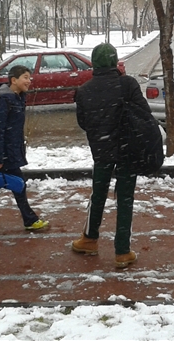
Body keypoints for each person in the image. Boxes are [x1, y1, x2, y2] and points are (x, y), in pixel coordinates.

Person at [71, 42, 148, 268]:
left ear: (94, 63)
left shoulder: (84, 90)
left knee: (98, 195)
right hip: (128, 150)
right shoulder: (128, 84)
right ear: (115, 62)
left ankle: (90, 239)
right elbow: (143, 114)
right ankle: (122, 251)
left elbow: (83, 123)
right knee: (124, 199)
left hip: (102, 152)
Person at [0, 65, 49, 231]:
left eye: (29, 78)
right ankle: (30, 219)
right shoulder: (3, 101)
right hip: (4, 152)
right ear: (14, 80)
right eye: (25, 77)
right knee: (18, 184)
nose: (29, 81)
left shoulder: (16, 98)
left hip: (10, 150)